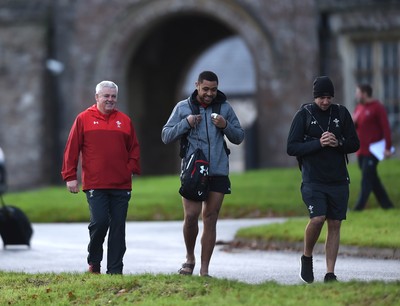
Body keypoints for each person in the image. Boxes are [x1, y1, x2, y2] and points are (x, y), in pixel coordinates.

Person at [161, 71, 244, 277]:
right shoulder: (183, 107)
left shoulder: (224, 108)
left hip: (218, 170)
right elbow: (166, 135)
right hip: (193, 171)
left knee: (210, 217)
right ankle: (190, 257)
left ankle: (205, 270)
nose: (209, 93)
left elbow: (239, 136)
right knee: (191, 216)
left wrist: (225, 126)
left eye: (213, 89)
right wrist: (186, 123)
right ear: (197, 85)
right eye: (205, 89)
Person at [61, 80, 140, 275]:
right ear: (97, 97)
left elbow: (134, 149)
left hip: (121, 185)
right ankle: (94, 261)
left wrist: (128, 168)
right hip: (95, 183)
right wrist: (70, 176)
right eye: (106, 96)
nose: (110, 99)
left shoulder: (125, 120)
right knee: (100, 222)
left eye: (113, 96)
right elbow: (71, 149)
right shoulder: (83, 119)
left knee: (118, 229)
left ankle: (115, 270)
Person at [287, 76, 360, 283]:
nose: (325, 102)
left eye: (328, 97)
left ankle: (330, 273)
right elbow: (291, 147)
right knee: (318, 218)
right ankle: (307, 256)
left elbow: (355, 143)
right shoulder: (304, 114)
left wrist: (338, 143)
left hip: (338, 178)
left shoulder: (341, 113)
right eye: (321, 98)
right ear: (314, 97)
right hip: (313, 179)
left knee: (335, 223)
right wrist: (319, 143)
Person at [352, 84, 394, 211]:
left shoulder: (377, 107)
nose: (356, 95)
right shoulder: (358, 108)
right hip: (361, 150)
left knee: (366, 179)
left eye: (358, 92)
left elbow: (386, 128)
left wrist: (388, 148)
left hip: (373, 151)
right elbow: (356, 127)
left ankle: (357, 209)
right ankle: (388, 206)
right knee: (373, 179)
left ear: (365, 93)